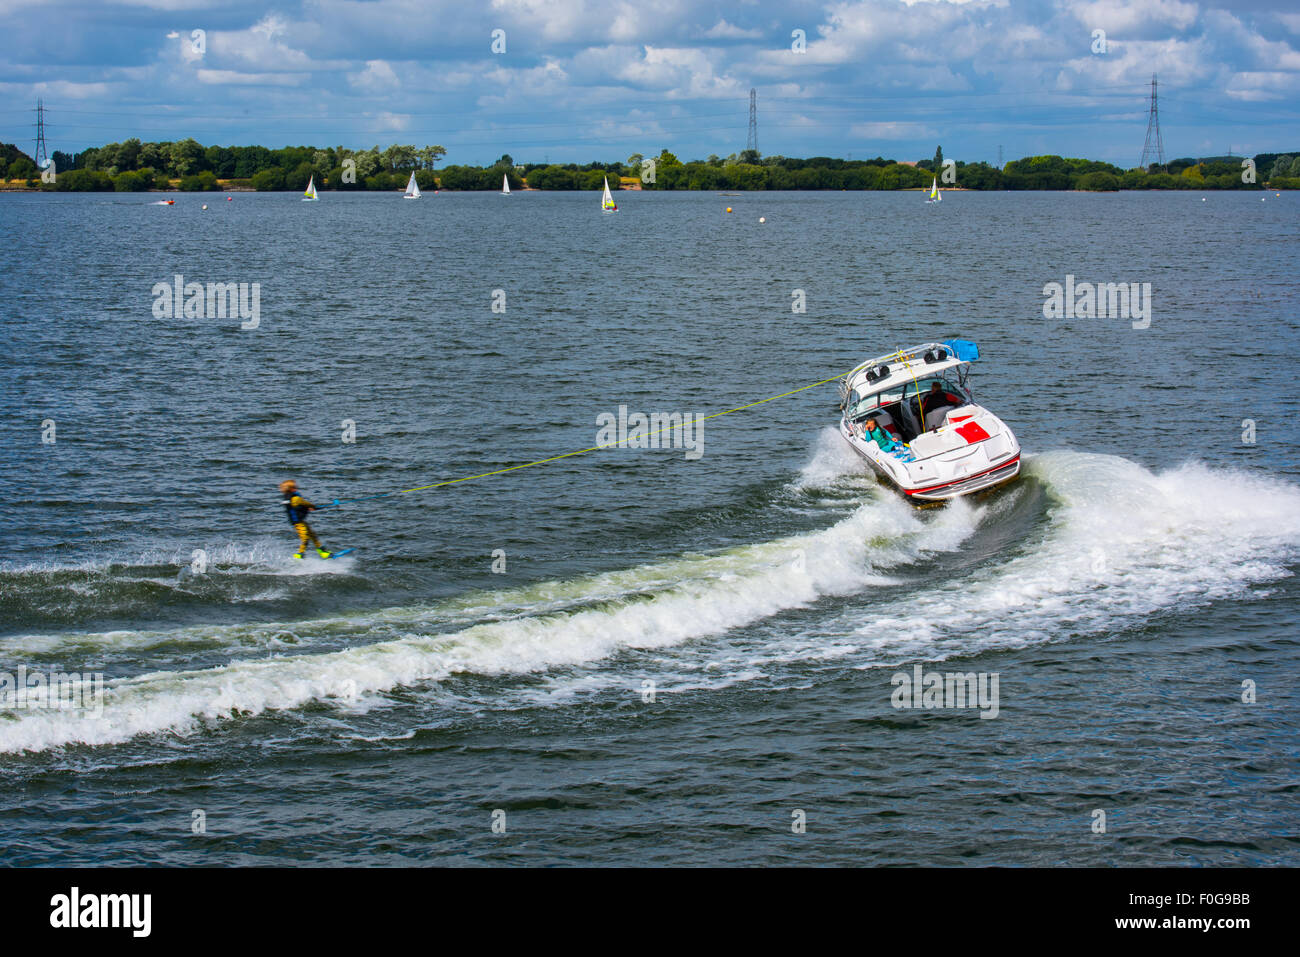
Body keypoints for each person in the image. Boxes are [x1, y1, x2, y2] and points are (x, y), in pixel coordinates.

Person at [280, 480, 331, 559]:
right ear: (290, 489)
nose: (297, 488)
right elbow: (306, 504)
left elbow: (299, 507)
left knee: (312, 535)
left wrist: (308, 508)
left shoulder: (288, 498)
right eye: (295, 487)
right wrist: (315, 507)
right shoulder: (296, 498)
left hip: (299, 521)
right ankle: (300, 554)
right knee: (305, 538)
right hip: (298, 523)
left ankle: (322, 552)